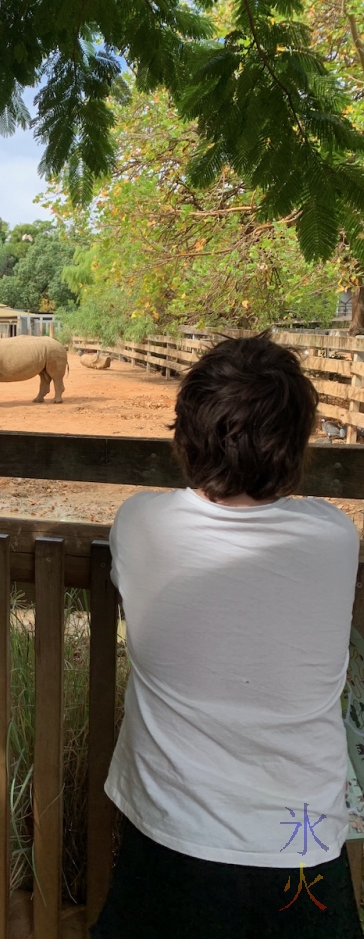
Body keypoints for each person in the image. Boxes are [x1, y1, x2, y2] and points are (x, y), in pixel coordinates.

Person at [91, 332, 363, 939]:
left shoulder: (141, 523)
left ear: (185, 438)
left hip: (172, 832)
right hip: (304, 838)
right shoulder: (334, 536)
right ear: (296, 446)